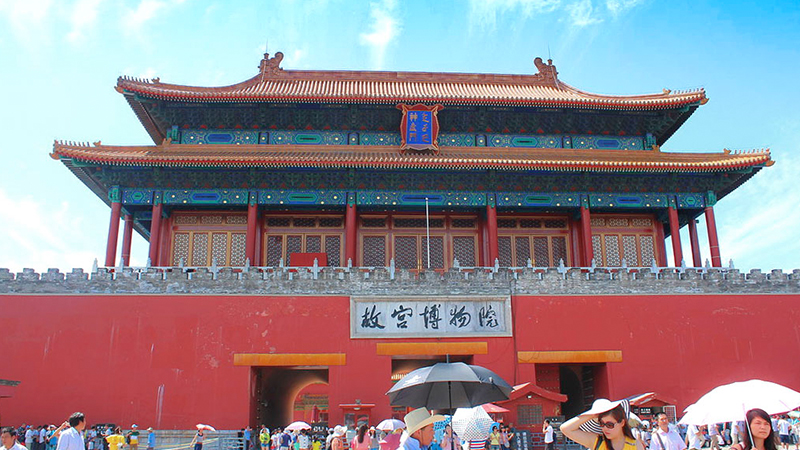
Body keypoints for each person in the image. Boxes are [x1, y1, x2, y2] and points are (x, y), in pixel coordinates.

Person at [560, 398, 644, 450]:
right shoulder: (597, 441)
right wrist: (592, 414)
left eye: (609, 425)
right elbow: (565, 429)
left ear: (622, 422)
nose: (605, 428)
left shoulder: (635, 445)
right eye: (602, 424)